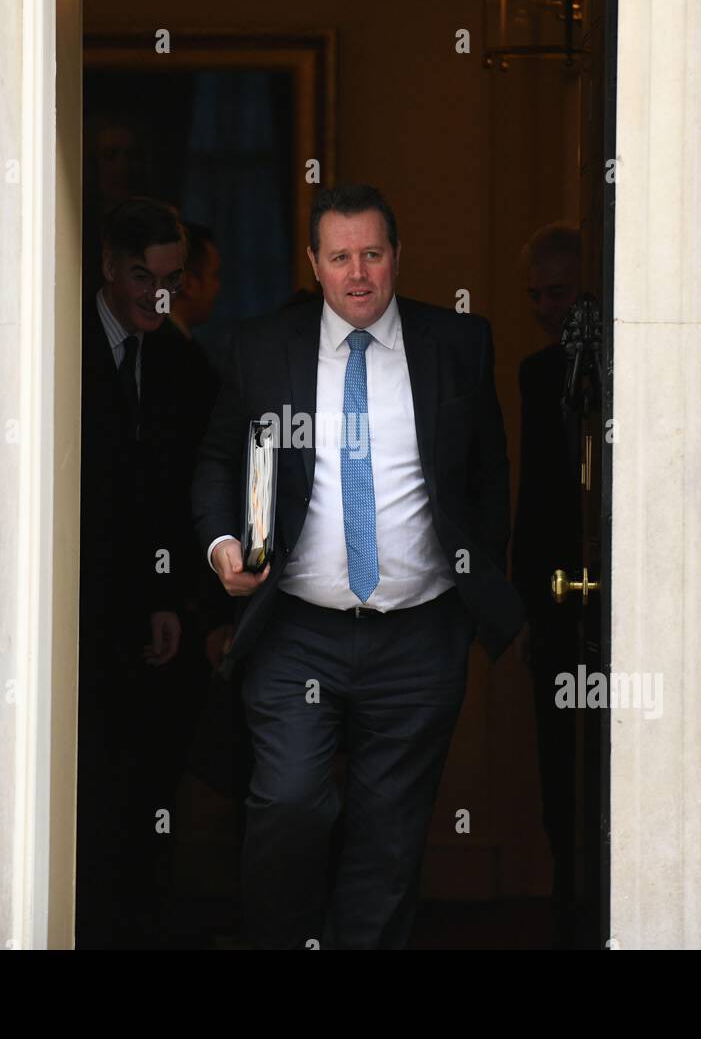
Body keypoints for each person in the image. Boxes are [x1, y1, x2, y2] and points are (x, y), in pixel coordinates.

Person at [191, 183, 525, 949]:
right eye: (339, 257)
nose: (358, 273)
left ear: (397, 256)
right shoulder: (263, 347)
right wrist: (221, 547)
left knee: (390, 839)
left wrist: (481, 577)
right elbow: (217, 458)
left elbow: (488, 473)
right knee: (290, 804)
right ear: (314, 262)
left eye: (372, 253)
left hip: (419, 635)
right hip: (295, 629)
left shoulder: (458, 344)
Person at [75, 196, 218, 949]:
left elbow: (183, 494)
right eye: (141, 275)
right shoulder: (58, 345)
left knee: (148, 805)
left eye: (171, 278)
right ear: (107, 266)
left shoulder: (181, 364)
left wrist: (174, 599)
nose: (157, 295)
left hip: (155, 626)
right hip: (74, 620)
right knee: (84, 806)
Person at [509, 221, 602, 949]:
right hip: (556, 594)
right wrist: (527, 605)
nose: (545, 307)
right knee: (554, 769)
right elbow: (532, 496)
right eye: (536, 295)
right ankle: (567, 910)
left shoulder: (628, 365)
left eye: (559, 292)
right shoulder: (536, 374)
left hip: (617, 591)